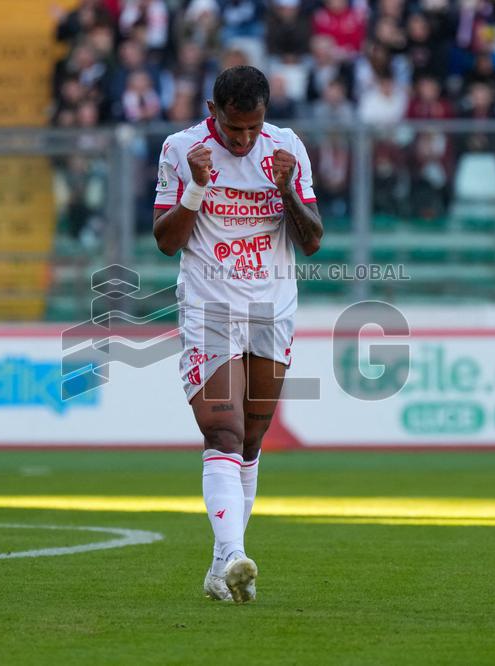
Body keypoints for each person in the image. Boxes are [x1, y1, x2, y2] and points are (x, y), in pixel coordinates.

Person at [151, 66, 323, 603]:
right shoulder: (182, 150)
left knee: (249, 442)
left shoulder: (287, 148)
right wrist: (199, 188)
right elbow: (165, 240)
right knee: (222, 432)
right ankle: (232, 555)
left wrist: (287, 189)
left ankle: (221, 563)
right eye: (233, 129)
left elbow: (313, 240)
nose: (244, 140)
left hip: (272, 308)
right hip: (210, 306)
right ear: (214, 112)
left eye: (253, 128)